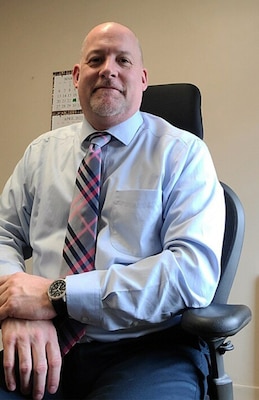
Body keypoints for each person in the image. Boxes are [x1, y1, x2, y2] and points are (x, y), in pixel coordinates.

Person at [0, 22, 225, 400]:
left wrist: (56, 295)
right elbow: (4, 234)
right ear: (76, 76)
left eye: (123, 60)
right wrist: (17, 310)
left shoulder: (183, 155)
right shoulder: (40, 153)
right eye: (96, 59)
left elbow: (191, 272)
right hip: (42, 340)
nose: (109, 69)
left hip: (147, 350)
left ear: (142, 79)